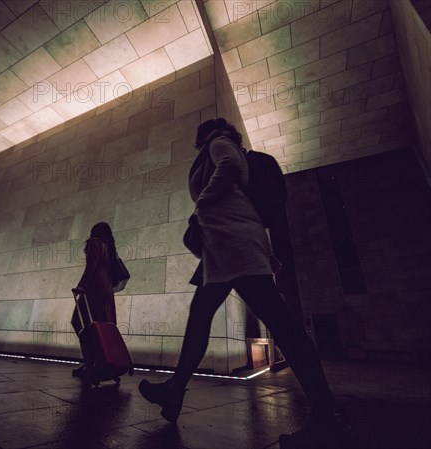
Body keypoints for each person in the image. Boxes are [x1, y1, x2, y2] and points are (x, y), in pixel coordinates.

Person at [137, 118, 352, 448]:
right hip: (225, 251)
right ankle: (174, 391)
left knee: (283, 327)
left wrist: (203, 202)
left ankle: (327, 416)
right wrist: (264, 250)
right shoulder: (223, 144)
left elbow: (230, 165)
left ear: (204, 132)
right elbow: (244, 200)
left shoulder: (218, 142)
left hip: (233, 247)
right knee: (201, 320)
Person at [71, 222, 117, 378]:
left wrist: (81, 286)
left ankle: (90, 361)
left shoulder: (95, 242)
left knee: (79, 322)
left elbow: (91, 266)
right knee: (101, 325)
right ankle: (101, 362)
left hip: (95, 286)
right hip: (107, 288)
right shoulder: (110, 247)